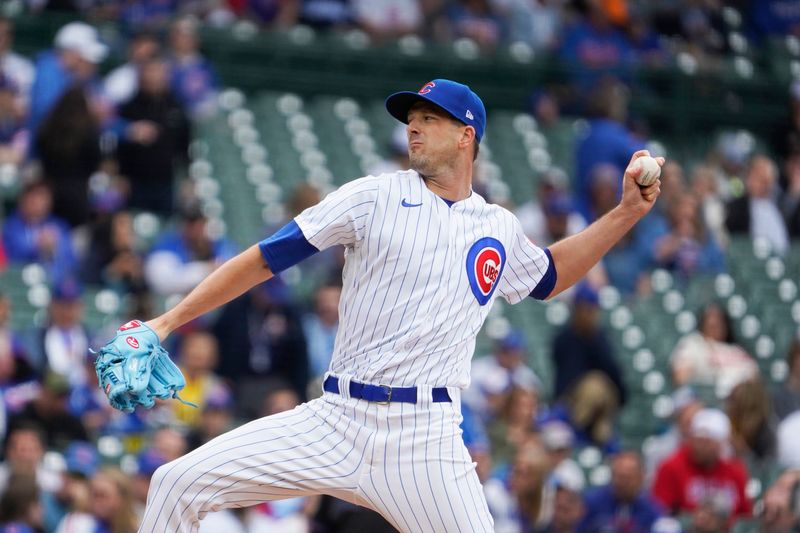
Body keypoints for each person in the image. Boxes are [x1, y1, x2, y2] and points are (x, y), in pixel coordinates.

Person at [131, 78, 663, 532]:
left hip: (425, 438)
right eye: (412, 117)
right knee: (174, 484)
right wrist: (168, 320)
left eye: (430, 118)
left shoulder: (496, 227)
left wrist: (624, 214)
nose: (413, 126)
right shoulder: (374, 196)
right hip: (335, 419)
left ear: (465, 135)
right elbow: (269, 257)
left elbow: (549, 276)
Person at [551, 283, 627, 447]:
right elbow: (563, 373)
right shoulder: (564, 338)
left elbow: (614, 373)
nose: (587, 314)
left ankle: (589, 437)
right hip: (573, 397)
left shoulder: (600, 339)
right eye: (583, 309)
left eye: (591, 310)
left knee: (596, 385)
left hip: (603, 398)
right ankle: (577, 433)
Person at [117, 56, 190, 215]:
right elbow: (120, 146)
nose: (154, 77)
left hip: (166, 181)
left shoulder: (177, 107)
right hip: (135, 181)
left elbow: (185, 146)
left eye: (158, 71)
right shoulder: (129, 108)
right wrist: (121, 176)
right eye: (150, 71)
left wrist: (187, 179)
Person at [651, 408, 751, 518]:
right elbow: (660, 513)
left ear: (721, 444)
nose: (700, 446)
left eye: (707, 442)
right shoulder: (671, 467)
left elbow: (744, 516)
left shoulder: (735, 471)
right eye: (697, 439)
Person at [670, 303, 757, 396]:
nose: (715, 327)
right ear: (703, 325)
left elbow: (754, 380)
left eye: (719, 323)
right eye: (711, 325)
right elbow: (680, 378)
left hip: (737, 401)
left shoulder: (736, 350)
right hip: (705, 401)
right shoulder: (693, 344)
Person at [579, 451, 663, 532]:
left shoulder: (652, 509)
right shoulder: (591, 503)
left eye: (628, 478)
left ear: (641, 478)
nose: (623, 483)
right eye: (619, 477)